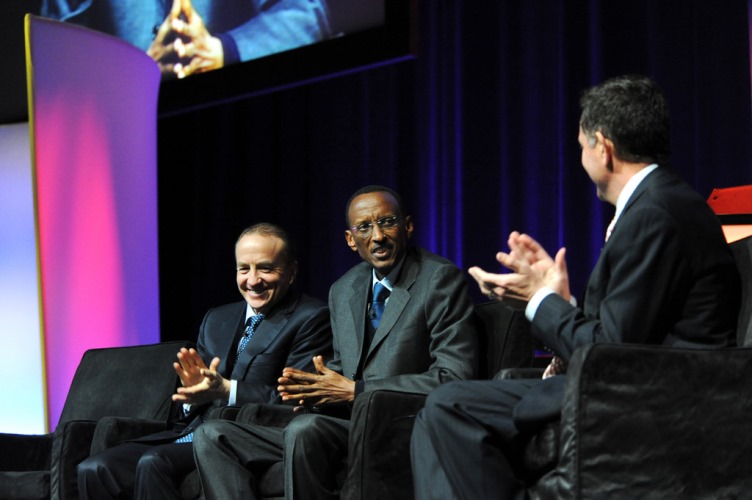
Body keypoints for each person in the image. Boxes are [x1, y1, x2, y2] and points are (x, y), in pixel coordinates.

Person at [409, 75, 742, 500]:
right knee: (431, 418)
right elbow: (624, 330)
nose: (581, 155)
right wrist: (561, 299)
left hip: (657, 392)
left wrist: (540, 300)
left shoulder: (655, 213)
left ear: (603, 147)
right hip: (634, 377)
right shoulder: (657, 202)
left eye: (582, 144)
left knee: (448, 406)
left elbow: (611, 350)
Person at [192, 185, 479, 499]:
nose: (377, 236)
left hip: (400, 424)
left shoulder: (439, 280)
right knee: (213, 434)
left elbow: (454, 377)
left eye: (387, 222)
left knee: (306, 431)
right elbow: (340, 372)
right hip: (345, 424)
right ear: (350, 239)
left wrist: (357, 391)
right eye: (364, 227)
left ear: (407, 226)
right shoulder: (344, 289)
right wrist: (310, 390)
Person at [77, 223, 332, 499]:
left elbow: (297, 400)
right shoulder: (216, 319)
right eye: (243, 269)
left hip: (244, 437)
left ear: (292, 272)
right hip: (190, 431)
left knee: (154, 462)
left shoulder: (311, 317)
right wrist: (192, 396)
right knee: (95, 468)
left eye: (265, 268)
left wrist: (227, 390)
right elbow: (194, 398)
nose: (253, 280)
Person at [41, 0, 332, 78]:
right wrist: (136, 74)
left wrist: (224, 51)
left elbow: (304, 15)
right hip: (129, 136)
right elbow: (56, 58)